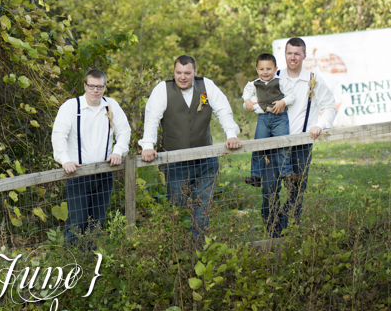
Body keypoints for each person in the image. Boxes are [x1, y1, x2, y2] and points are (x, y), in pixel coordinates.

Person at [139, 55, 241, 242]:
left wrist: (231, 135)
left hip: (206, 159)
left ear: (195, 72)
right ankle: (179, 249)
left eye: (187, 73)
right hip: (175, 161)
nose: (182, 77)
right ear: (174, 72)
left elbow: (223, 110)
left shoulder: (206, 86)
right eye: (178, 72)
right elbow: (152, 118)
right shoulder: (162, 90)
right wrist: (147, 146)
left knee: (203, 207)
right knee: (177, 208)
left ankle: (199, 248)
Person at [262, 37, 336, 237]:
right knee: (269, 191)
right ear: (284, 54)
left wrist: (319, 125)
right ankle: (273, 235)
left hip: (300, 144)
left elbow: (329, 107)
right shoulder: (273, 76)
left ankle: (291, 233)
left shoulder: (313, 79)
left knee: (296, 191)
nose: (292, 57)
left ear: (304, 55)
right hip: (274, 145)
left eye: (297, 53)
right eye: (289, 53)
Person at [51, 69, 131, 245]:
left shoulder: (111, 105)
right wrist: (65, 160)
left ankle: (91, 261)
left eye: (100, 87)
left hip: (104, 173)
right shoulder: (71, 107)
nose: (95, 91)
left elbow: (124, 131)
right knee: (77, 222)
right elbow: (58, 136)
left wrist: (118, 152)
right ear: (85, 86)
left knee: (98, 222)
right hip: (77, 174)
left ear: (105, 87)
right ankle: (72, 262)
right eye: (92, 86)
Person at [242, 53, 296, 187]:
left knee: (282, 145)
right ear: (257, 70)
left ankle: (286, 175)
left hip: (280, 118)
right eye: (261, 69)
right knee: (258, 145)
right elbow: (246, 94)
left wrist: (282, 102)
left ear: (276, 68)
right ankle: (255, 175)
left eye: (269, 69)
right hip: (263, 118)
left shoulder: (281, 82)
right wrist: (247, 101)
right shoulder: (254, 84)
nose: (265, 72)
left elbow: (291, 96)